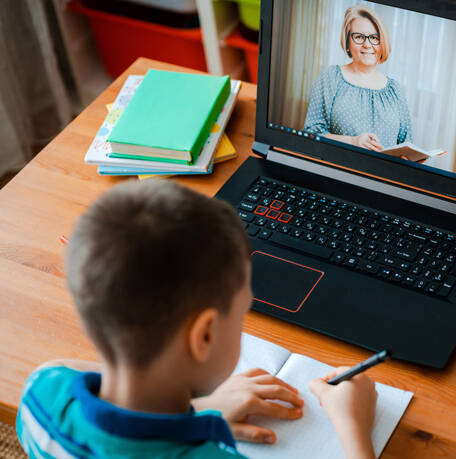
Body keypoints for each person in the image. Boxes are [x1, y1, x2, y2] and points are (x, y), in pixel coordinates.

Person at [15, 180, 378, 459]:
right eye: (241, 315)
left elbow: (59, 366)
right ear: (203, 336)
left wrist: (200, 410)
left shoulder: (41, 395)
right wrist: (353, 426)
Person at [304, 5, 413, 152]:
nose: (367, 44)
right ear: (347, 41)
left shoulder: (395, 89)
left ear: (382, 43)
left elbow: (406, 144)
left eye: (374, 37)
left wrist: (412, 157)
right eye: (359, 37)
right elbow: (311, 134)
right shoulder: (330, 77)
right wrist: (352, 141)